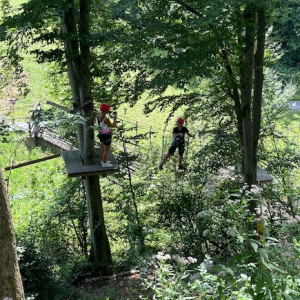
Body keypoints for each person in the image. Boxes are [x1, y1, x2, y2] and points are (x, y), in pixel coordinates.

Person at [97, 103, 117, 167]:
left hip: (101, 133)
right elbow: (113, 125)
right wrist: (114, 119)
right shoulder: (106, 119)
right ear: (106, 111)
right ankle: (105, 163)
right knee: (106, 150)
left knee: (102, 148)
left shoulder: (99, 117)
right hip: (106, 135)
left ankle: (103, 160)